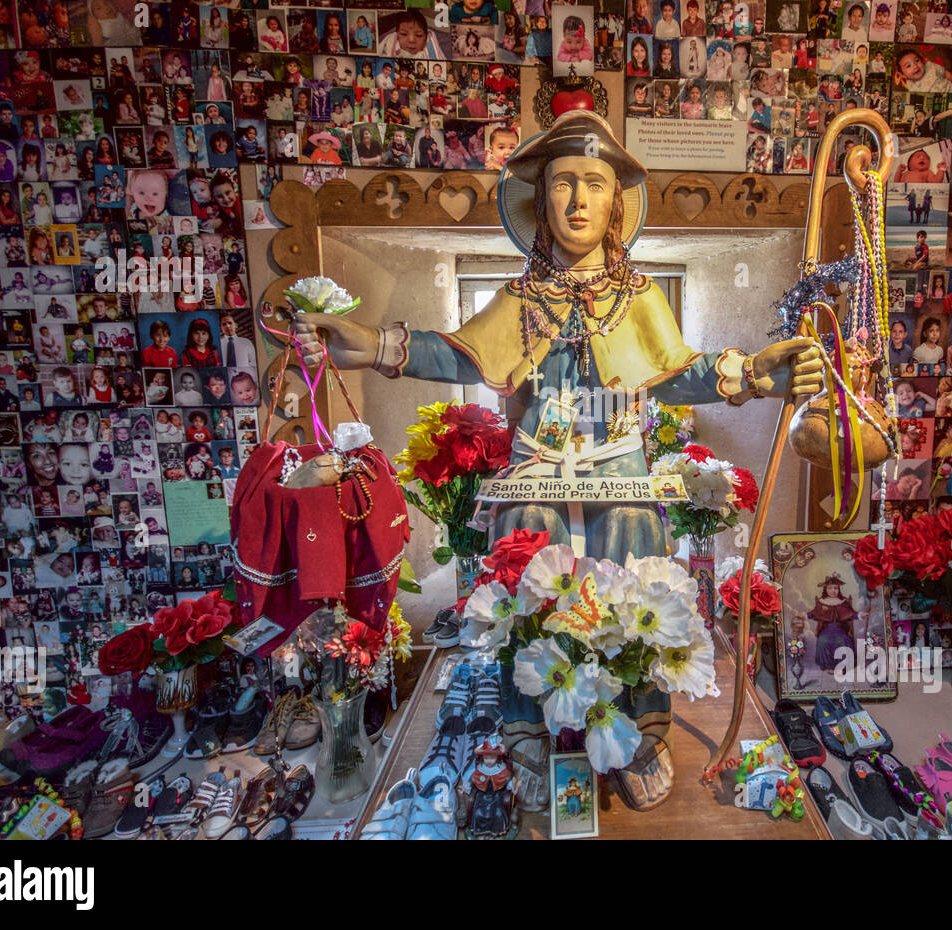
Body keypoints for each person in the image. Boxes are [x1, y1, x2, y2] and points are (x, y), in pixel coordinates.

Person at [289, 111, 825, 800]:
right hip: (540, 462)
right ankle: (528, 732)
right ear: (539, 201)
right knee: (522, 549)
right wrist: (368, 344)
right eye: (563, 184)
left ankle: (638, 733)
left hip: (620, 465)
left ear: (615, 205)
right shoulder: (519, 299)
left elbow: (678, 371)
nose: (577, 199)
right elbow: (453, 351)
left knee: (638, 544)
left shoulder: (637, 300)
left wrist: (754, 373)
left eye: (594, 184)